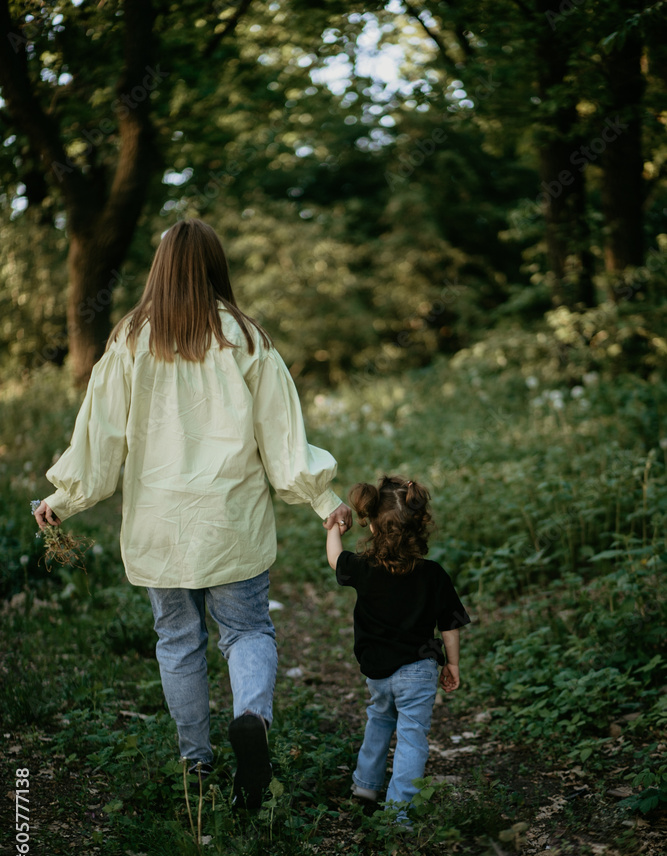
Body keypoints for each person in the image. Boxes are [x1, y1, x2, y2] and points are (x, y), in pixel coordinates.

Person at [33, 218, 351, 808]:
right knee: (247, 630)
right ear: (216, 267)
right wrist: (323, 499)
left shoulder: (129, 340)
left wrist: (63, 498)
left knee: (178, 640)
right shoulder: (249, 340)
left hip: (161, 528)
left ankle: (196, 765)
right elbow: (283, 441)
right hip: (233, 523)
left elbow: (99, 441)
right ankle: (252, 719)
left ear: (160, 269)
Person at [325, 474, 470, 818]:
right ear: (420, 526)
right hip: (418, 671)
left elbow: (335, 559)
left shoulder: (364, 568)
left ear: (373, 526)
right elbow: (449, 625)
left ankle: (365, 786)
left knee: (378, 719)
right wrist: (452, 665)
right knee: (411, 737)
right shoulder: (433, 574)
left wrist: (334, 527)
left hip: (377, 669)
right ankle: (398, 812)